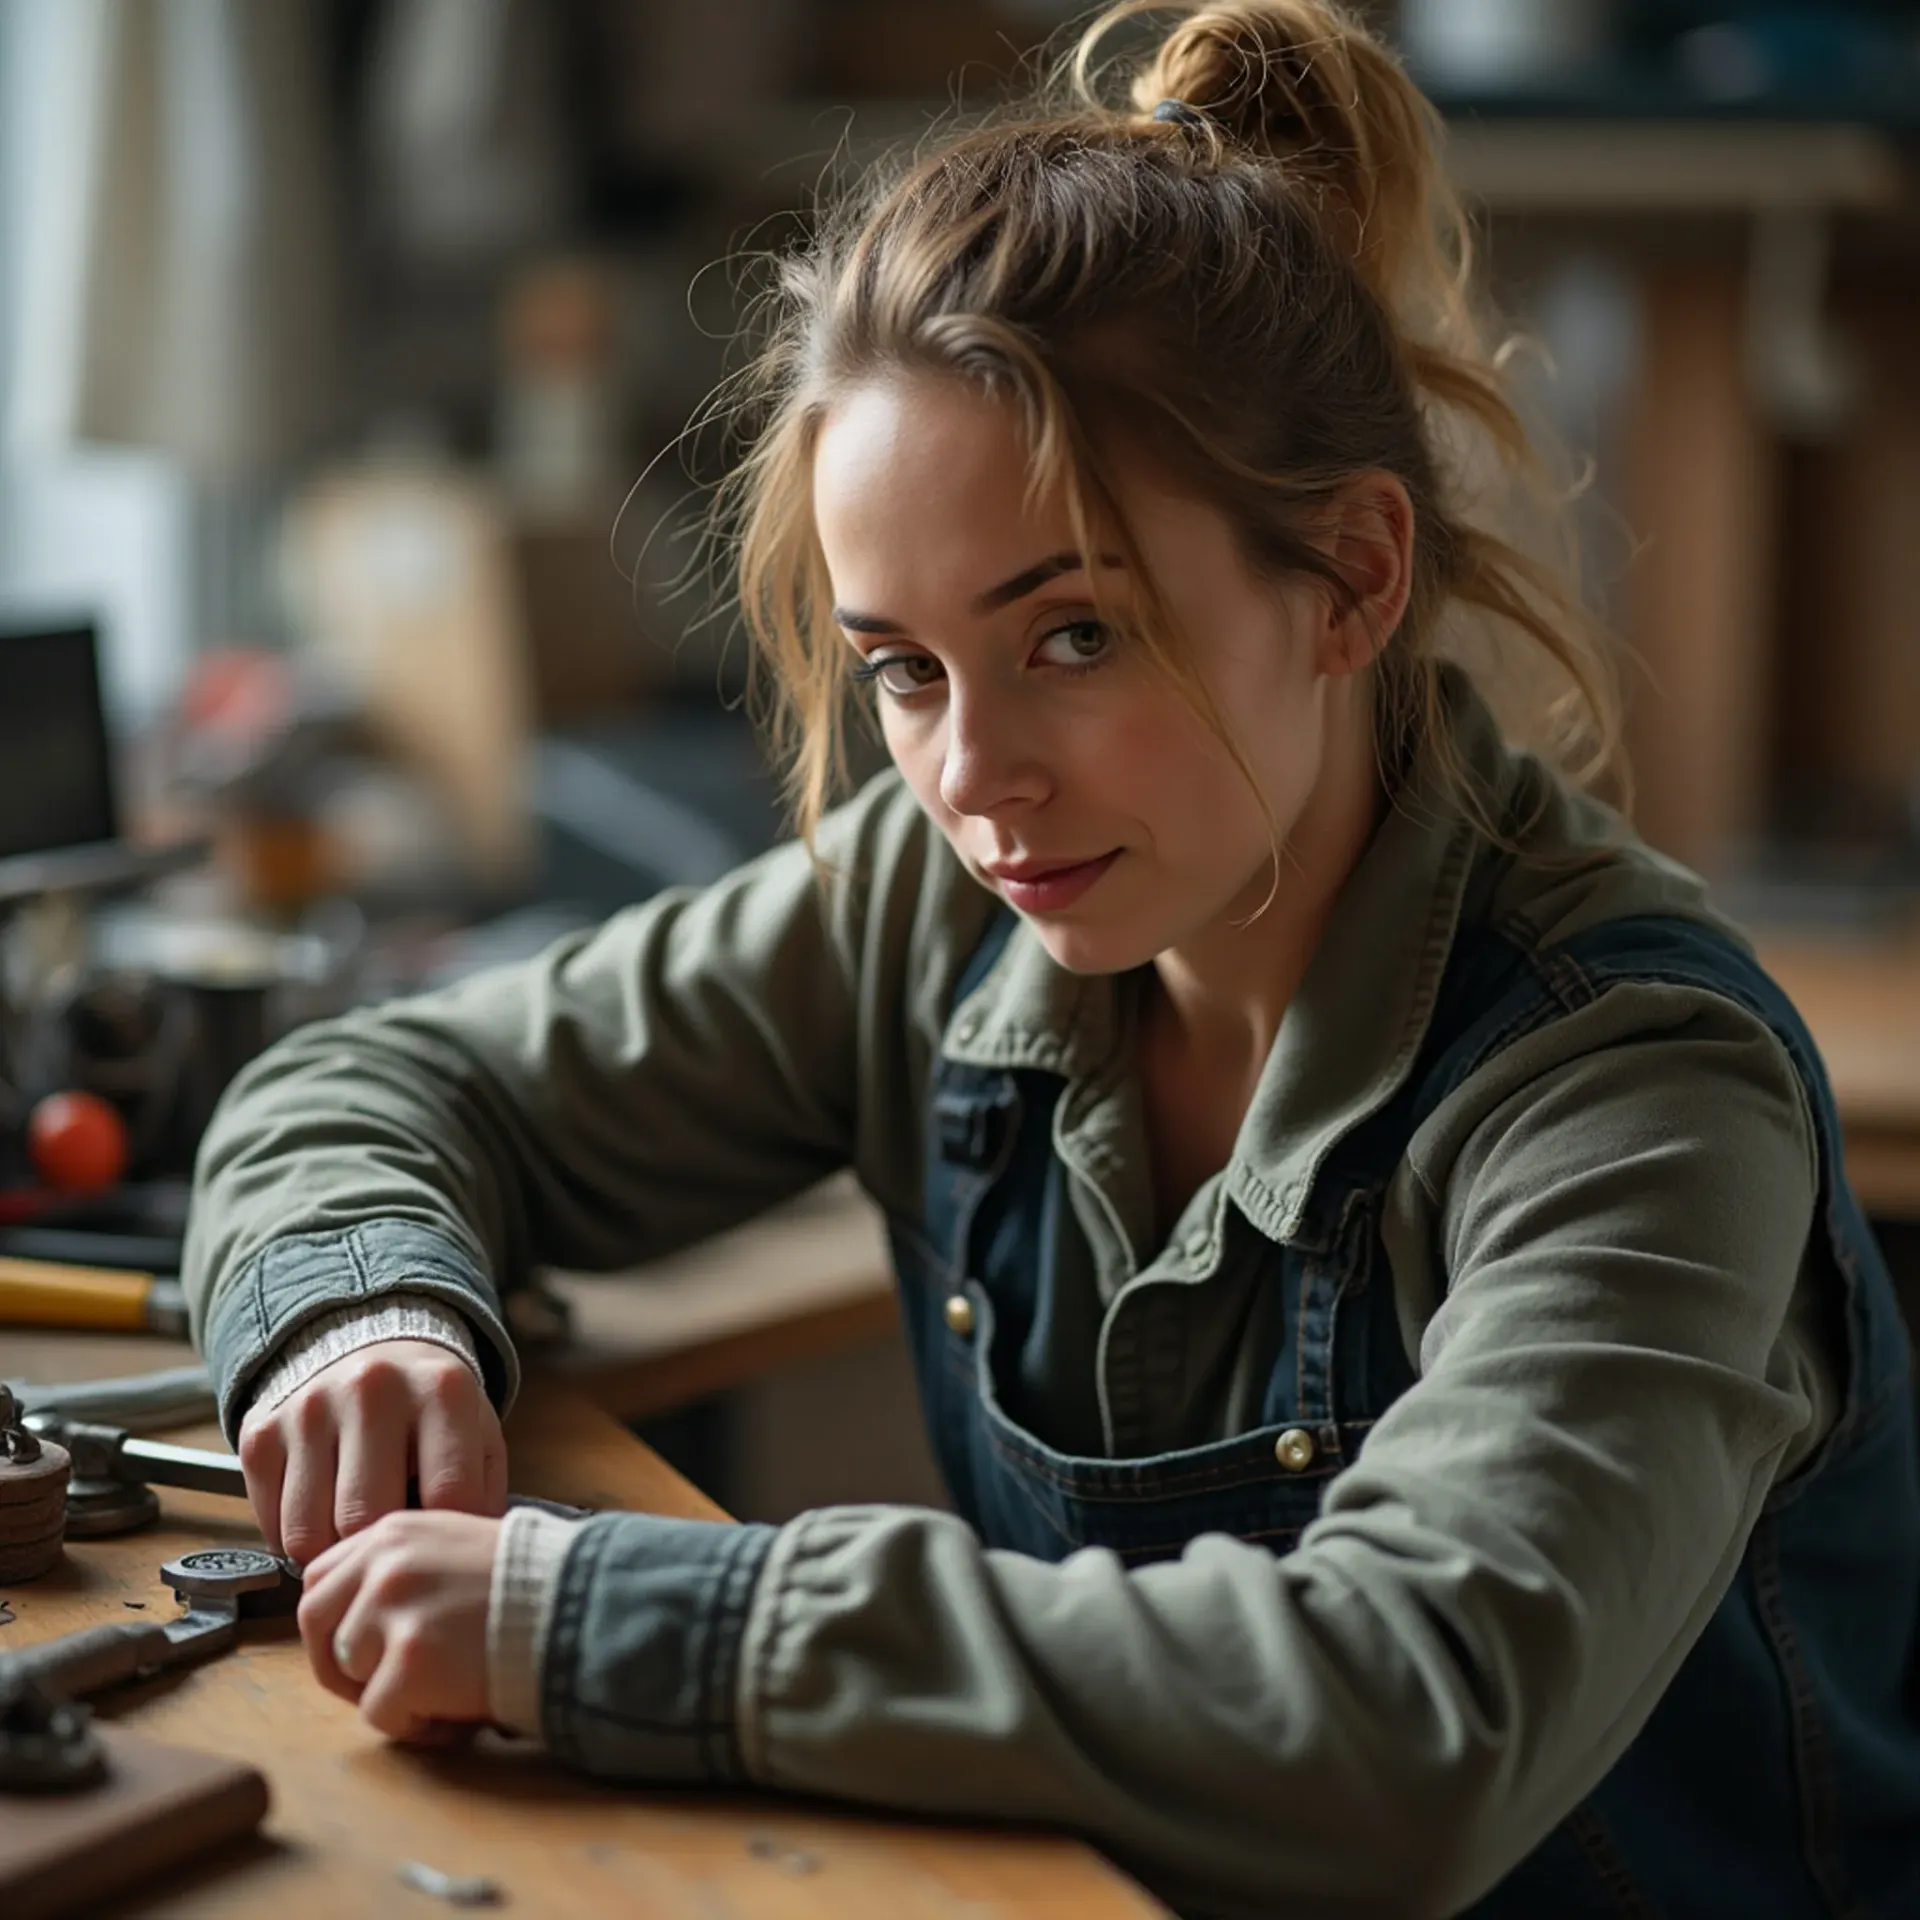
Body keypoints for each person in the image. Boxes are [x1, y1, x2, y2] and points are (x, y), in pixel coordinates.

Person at [181, 4, 1920, 1914]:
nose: (974, 780)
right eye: (905, 669)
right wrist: (364, 1314)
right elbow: (364, 1082)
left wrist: (606, 1612)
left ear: (1351, 577)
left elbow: (1411, 1717)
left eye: (1074, 636)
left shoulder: (1638, 1091)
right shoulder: (938, 919)